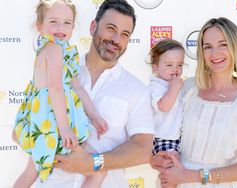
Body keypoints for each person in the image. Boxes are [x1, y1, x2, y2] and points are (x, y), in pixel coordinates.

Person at [35, 0, 154, 187]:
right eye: (110, 28)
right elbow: (22, 128)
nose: (116, 39)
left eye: (124, 34)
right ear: (93, 27)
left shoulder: (136, 89)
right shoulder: (58, 68)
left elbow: (143, 149)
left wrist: (93, 163)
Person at [150, 17, 237, 188]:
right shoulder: (187, 88)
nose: (214, 53)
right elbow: (160, 127)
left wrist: (188, 176)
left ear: (236, 47)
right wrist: (154, 159)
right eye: (207, 47)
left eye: (223, 44)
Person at [12, 0, 108, 187]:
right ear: (40, 26)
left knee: (30, 173)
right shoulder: (53, 49)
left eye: (67, 22)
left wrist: (94, 115)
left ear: (73, 26)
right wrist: (64, 128)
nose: (60, 27)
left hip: (44, 125)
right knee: (97, 172)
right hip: (52, 126)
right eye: (53, 21)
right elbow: (55, 88)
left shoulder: (60, 51)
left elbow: (77, 87)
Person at [148, 39, 185, 188]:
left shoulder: (170, 84)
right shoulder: (155, 86)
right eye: (169, 65)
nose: (175, 69)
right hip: (164, 137)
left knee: (175, 175)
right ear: (155, 67)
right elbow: (163, 106)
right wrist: (174, 87)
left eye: (180, 65)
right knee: (169, 174)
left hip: (175, 137)